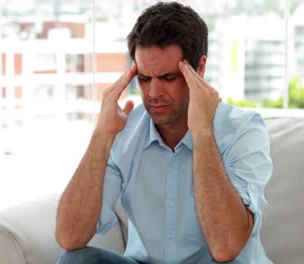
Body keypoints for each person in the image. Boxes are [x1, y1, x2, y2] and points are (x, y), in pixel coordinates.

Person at [55, 2, 273, 264]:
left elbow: (226, 246)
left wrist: (202, 132)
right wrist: (101, 136)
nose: (153, 93)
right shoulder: (125, 132)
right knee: (75, 260)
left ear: (199, 68)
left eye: (168, 78)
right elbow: (69, 237)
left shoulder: (243, 131)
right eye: (145, 78)